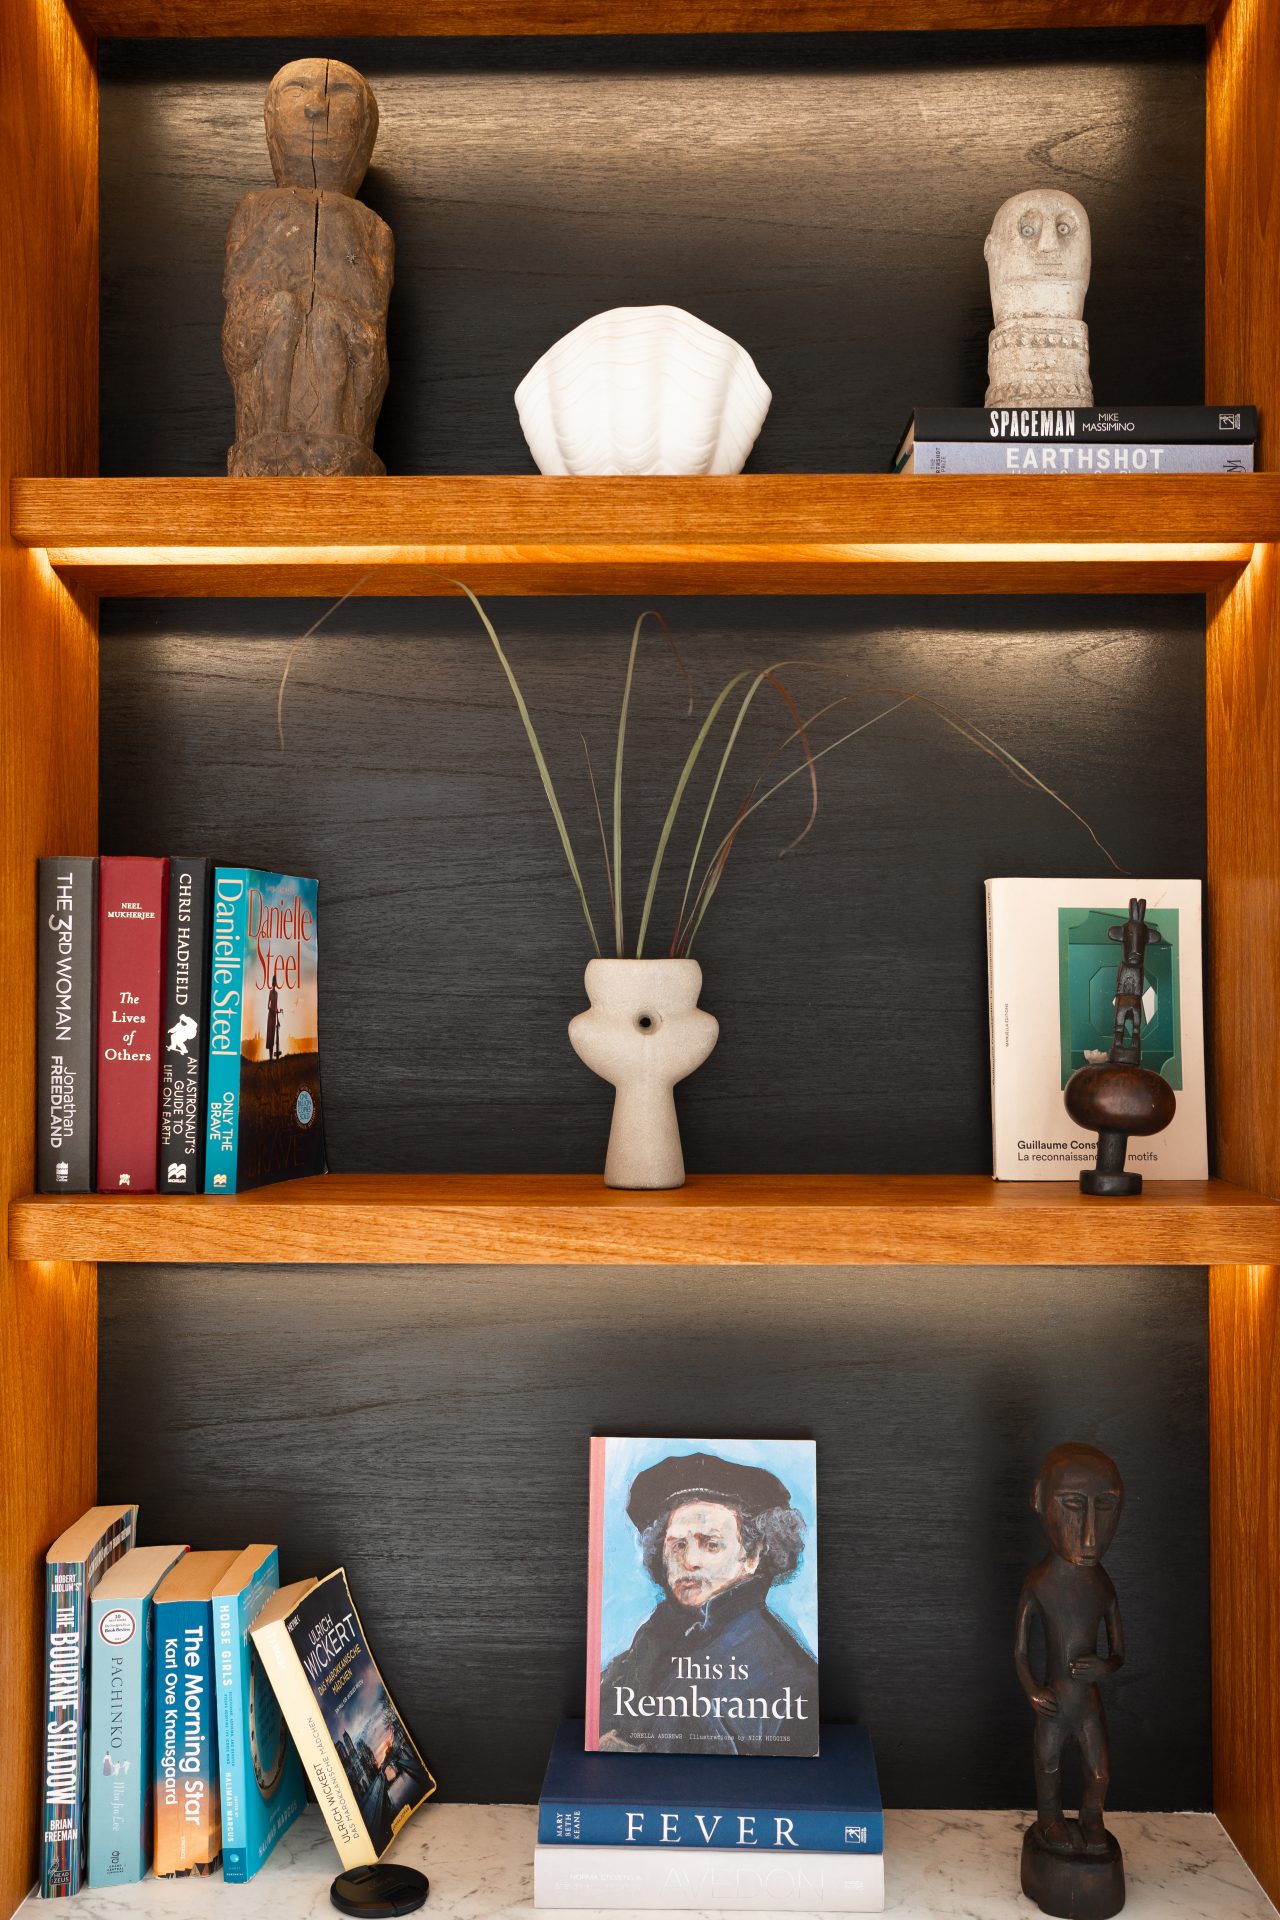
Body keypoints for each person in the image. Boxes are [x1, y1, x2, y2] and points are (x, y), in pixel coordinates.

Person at [599, 1450, 817, 1753]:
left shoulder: (792, 1678)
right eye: (677, 1545)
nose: (689, 1561)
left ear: (752, 1556)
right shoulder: (649, 1642)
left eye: (711, 1544)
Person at [1015, 1442, 1125, 1855]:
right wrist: (1032, 1690)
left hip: (1088, 1702)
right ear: (1039, 1500)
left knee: (1099, 1774)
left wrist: (1106, 1665)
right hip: (1055, 1702)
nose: (1090, 1535)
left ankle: (1092, 1819)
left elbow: (1119, 1651)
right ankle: (1050, 1819)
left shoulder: (1102, 1584)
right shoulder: (1039, 1583)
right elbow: (1020, 1651)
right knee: (1048, 1766)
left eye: (1107, 1506)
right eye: (1073, 1505)